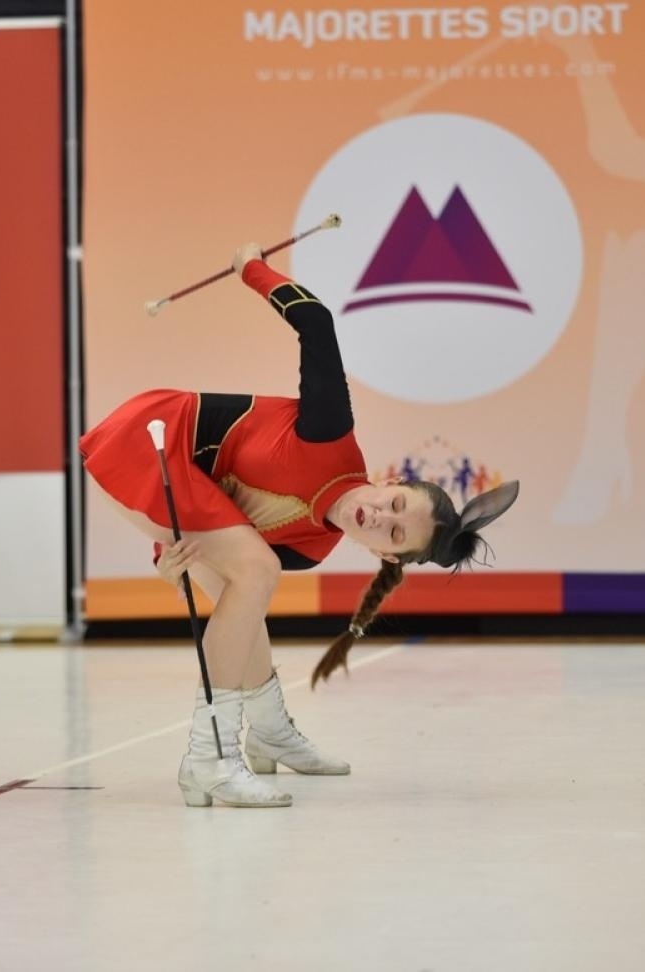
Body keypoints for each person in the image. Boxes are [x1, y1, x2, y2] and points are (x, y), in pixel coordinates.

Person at [80, 242, 519, 808]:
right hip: (151, 435)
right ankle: (208, 758)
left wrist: (171, 568)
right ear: (389, 481)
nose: (380, 517)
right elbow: (316, 321)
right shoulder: (330, 432)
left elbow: (203, 553)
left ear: (385, 557)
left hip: (179, 489)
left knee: (247, 593)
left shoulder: (311, 547)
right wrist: (249, 268)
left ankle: (267, 731)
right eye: (394, 504)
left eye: (392, 534)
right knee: (256, 572)